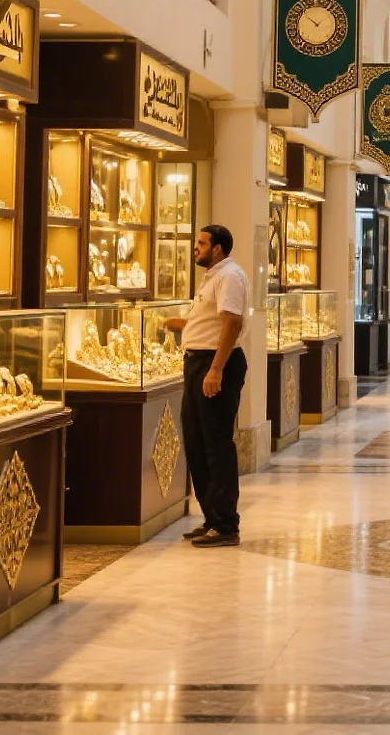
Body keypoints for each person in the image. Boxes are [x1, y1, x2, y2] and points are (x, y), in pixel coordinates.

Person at [162, 225, 250, 547]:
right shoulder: (212, 277)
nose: (195, 247)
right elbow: (214, 320)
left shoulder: (230, 276)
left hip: (215, 365)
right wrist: (183, 325)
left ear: (217, 248)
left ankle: (226, 524)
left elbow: (232, 322)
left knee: (215, 444)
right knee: (197, 441)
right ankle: (212, 518)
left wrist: (216, 370)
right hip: (198, 363)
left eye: (201, 243)